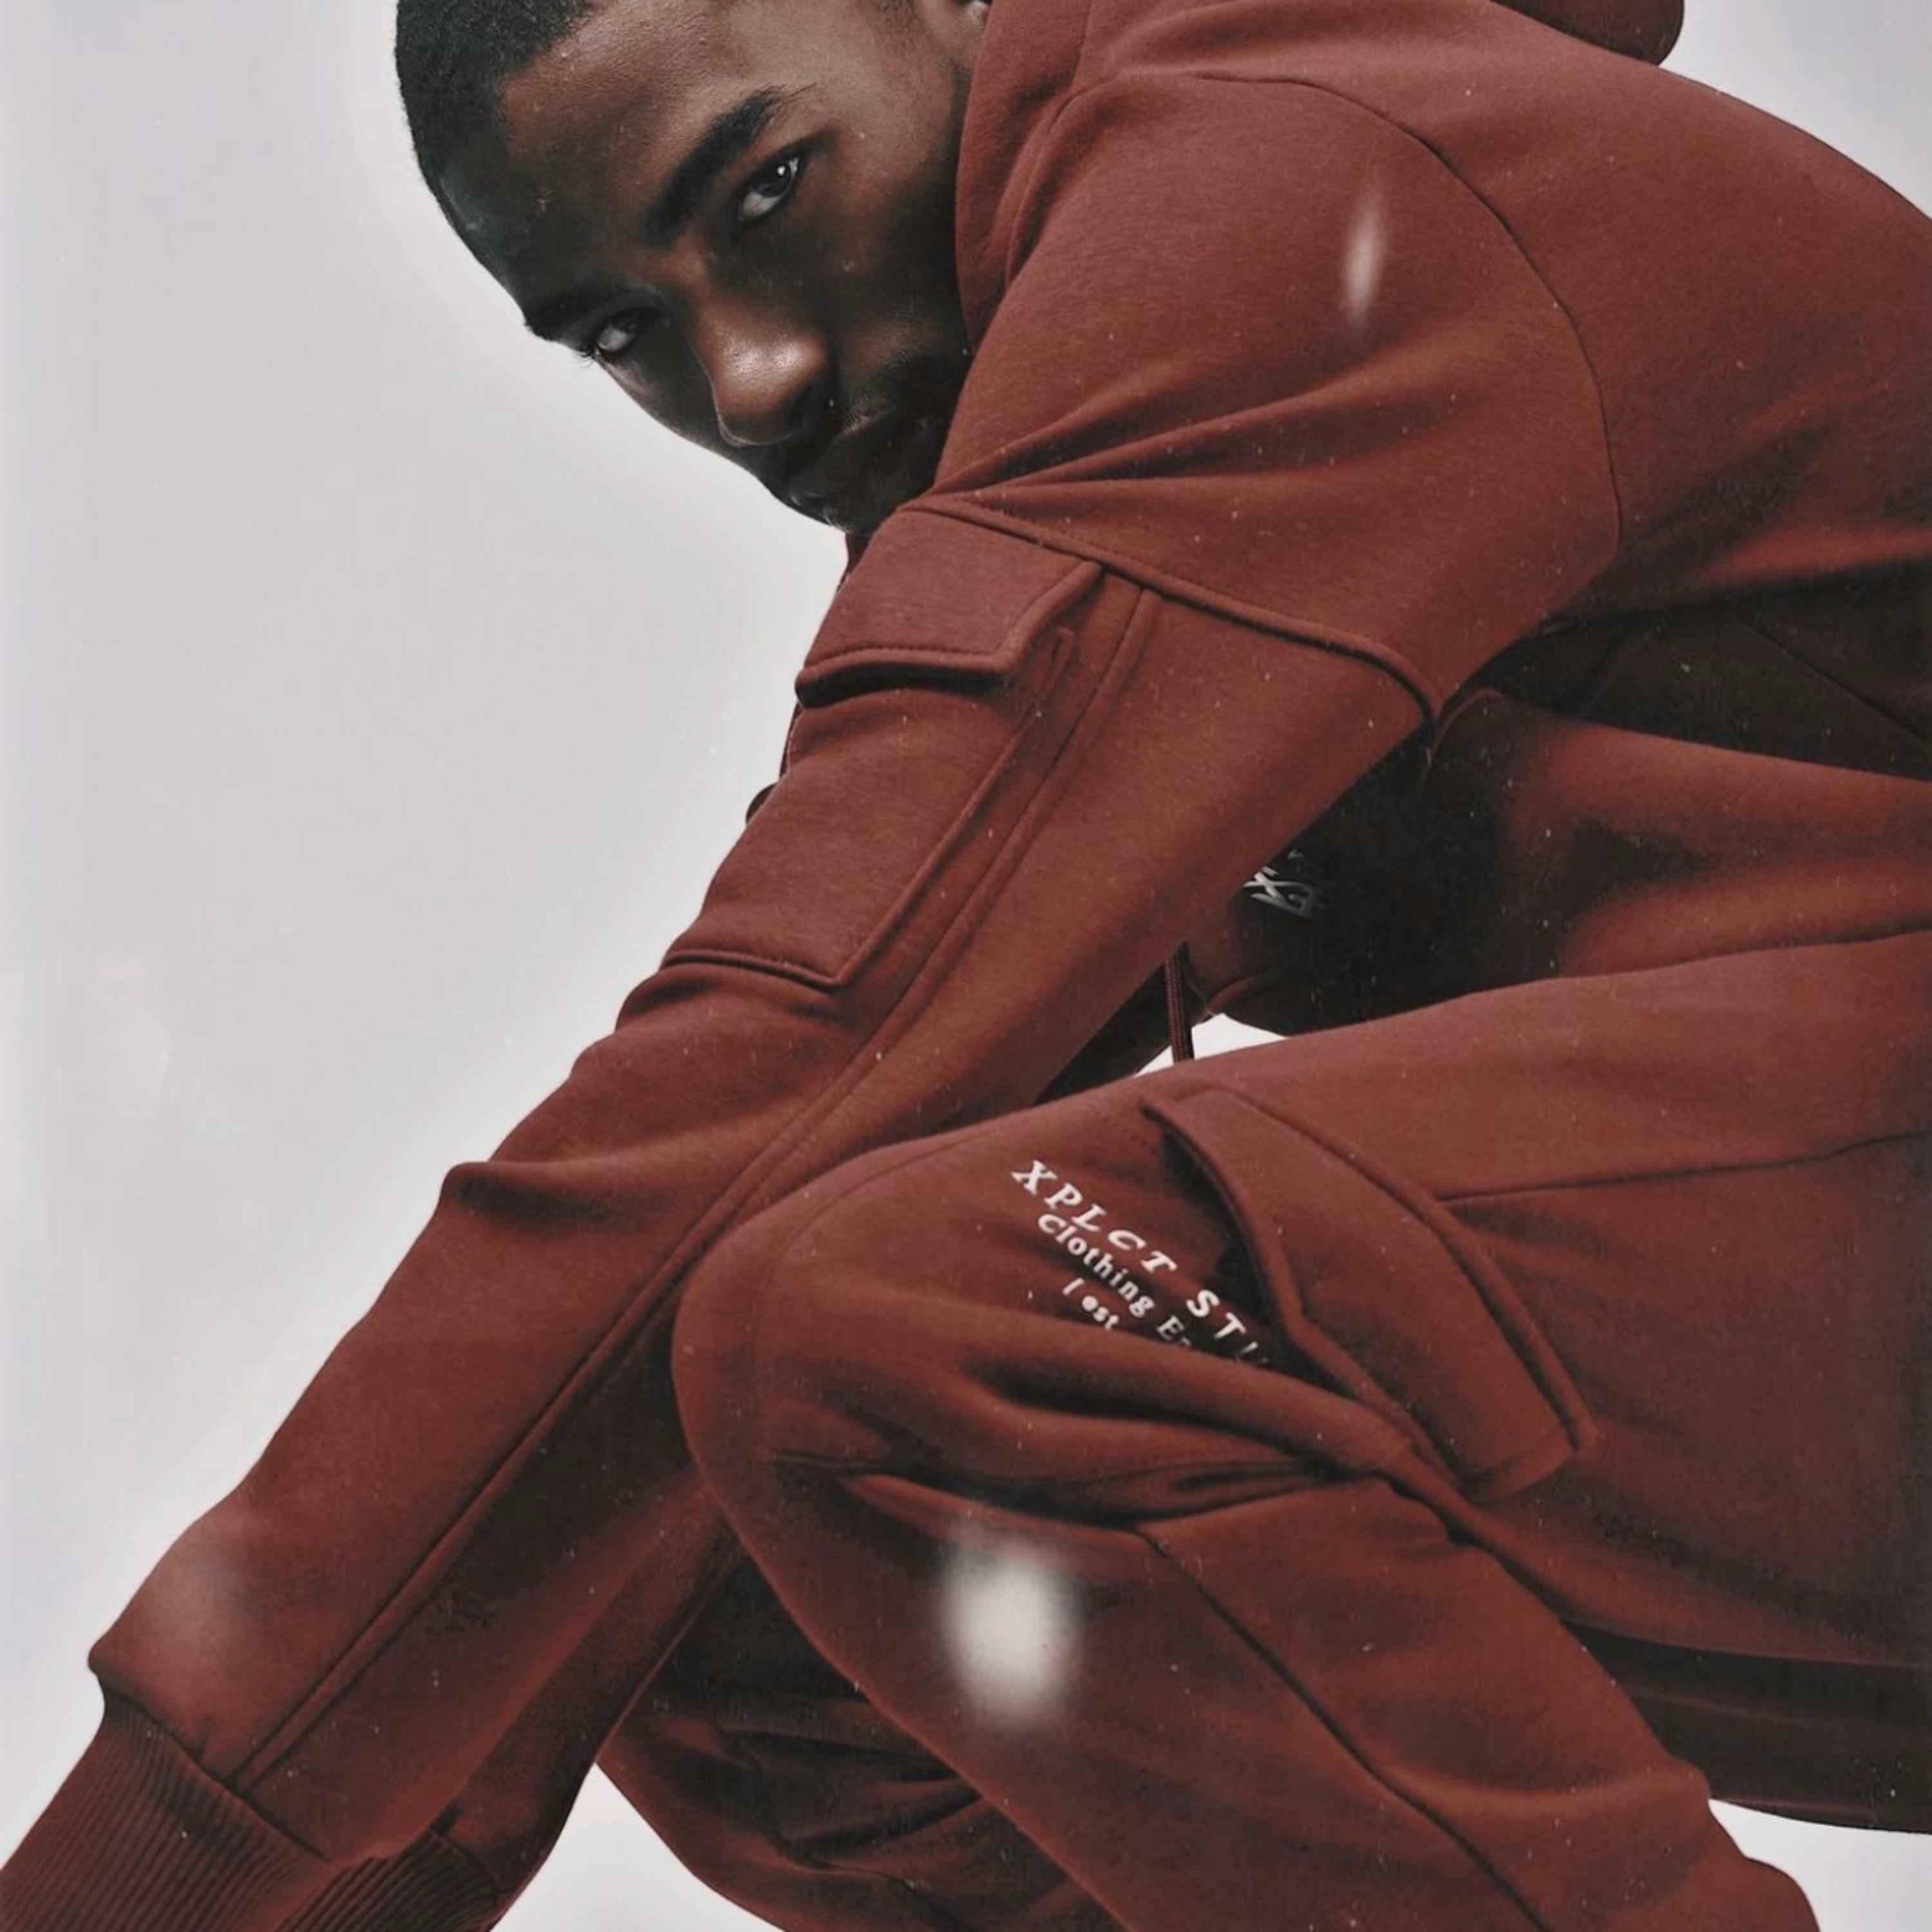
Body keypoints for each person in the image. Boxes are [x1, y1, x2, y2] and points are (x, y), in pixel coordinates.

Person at [3, 0, 1927, 1926]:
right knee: (713, 1568)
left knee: (913, 1328)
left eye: (767, 191)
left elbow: (786, 1063)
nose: (749, 382)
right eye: (624, 333)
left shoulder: (1293, 203)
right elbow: (734, 1189)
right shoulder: (1107, 376)